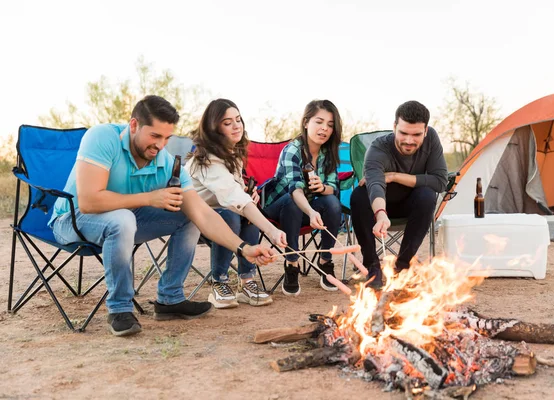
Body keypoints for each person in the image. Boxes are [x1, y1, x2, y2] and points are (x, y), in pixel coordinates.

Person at [50, 95, 275, 337]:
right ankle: (120, 309)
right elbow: (89, 201)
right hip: (72, 219)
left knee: (186, 215)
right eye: (155, 136)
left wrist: (243, 248)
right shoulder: (103, 137)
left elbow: (202, 213)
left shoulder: (165, 161)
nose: (160, 146)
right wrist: (149, 198)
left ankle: (170, 298)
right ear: (134, 125)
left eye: (167, 138)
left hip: (126, 219)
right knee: (122, 219)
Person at [185, 98, 287, 309]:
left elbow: (237, 193)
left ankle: (247, 282)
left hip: (224, 210)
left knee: (241, 213)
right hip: (195, 218)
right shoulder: (204, 160)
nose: (236, 125)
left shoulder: (233, 153)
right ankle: (219, 282)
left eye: (238, 119)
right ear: (214, 128)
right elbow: (233, 197)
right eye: (227, 122)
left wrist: (249, 194)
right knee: (232, 213)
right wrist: (272, 230)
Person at [350, 100, 448, 288]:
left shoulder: (432, 139)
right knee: (358, 195)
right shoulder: (378, 148)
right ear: (394, 127)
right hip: (379, 205)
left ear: (426, 131)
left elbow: (440, 181)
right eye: (403, 133)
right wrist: (380, 214)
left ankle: (402, 267)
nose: (409, 141)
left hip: (411, 204)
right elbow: (376, 184)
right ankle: (372, 266)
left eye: (416, 134)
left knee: (428, 195)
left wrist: (395, 176)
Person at [263, 99, 343, 296]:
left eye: (330, 125)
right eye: (319, 122)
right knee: (293, 202)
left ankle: (325, 260)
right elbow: (295, 190)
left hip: (307, 210)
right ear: (306, 122)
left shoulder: (328, 152)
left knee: (332, 203)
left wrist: (322, 187)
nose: (324, 128)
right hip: (279, 208)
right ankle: (292, 263)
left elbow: (333, 188)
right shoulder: (293, 150)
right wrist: (311, 211)